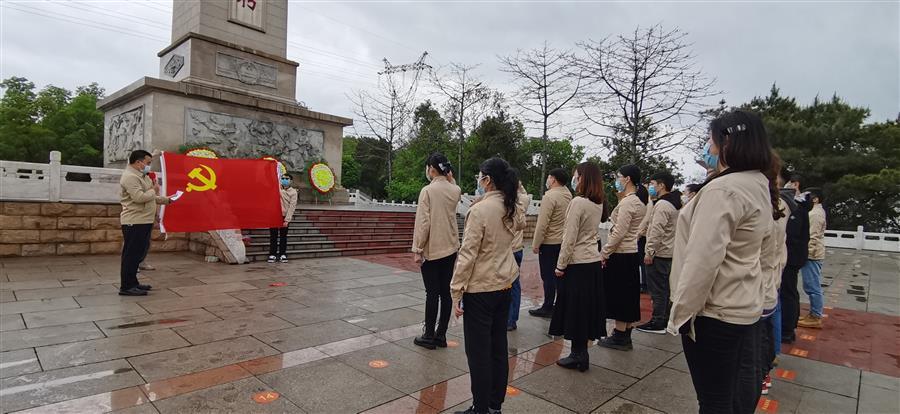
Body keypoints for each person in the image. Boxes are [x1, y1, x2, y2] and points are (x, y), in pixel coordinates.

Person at [667, 110, 777, 414]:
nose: (708, 147)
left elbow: (703, 259)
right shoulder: (757, 183)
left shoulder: (722, 190)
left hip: (713, 312)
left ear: (727, 142)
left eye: (711, 140)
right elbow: (767, 252)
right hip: (743, 306)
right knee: (735, 395)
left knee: (714, 399)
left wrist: (681, 314)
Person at [451, 157, 524, 414]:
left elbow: (468, 254)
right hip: (504, 286)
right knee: (497, 348)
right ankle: (494, 404)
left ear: (488, 180)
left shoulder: (481, 210)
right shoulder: (511, 205)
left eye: (480, 177)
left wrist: (456, 291)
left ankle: (480, 408)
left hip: (481, 289)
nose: (478, 181)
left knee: (479, 353)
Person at [548, 161, 608, 372]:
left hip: (577, 263)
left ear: (583, 178)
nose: (574, 180)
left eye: (577, 176)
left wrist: (560, 265)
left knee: (575, 310)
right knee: (585, 310)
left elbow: (569, 237)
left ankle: (577, 355)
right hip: (591, 262)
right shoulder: (597, 203)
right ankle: (581, 353)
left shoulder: (578, 203)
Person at [412, 153, 462, 350]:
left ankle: (429, 335)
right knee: (445, 293)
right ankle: (441, 335)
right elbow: (455, 186)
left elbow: (423, 222)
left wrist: (417, 248)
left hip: (433, 248)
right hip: (451, 247)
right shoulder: (455, 190)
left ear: (431, 169)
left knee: (431, 293)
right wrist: (449, 179)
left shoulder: (428, 191)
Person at [598, 164, 647, 351]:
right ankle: (625, 333)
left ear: (627, 179)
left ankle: (619, 335)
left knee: (620, 295)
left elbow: (619, 231)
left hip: (621, 253)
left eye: (619, 177)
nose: (617, 180)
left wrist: (605, 252)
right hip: (631, 253)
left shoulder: (628, 202)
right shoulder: (638, 201)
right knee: (629, 294)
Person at [118, 150, 172, 296]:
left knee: (138, 254)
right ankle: (126, 287)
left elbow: (150, 197)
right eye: (148, 163)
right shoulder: (130, 177)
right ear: (138, 162)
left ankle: (133, 283)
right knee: (131, 255)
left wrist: (167, 200)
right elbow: (139, 197)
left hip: (145, 220)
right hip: (134, 221)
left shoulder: (141, 175)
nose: (149, 166)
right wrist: (154, 191)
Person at [636, 172, 683, 334]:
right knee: (665, 289)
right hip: (669, 252)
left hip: (659, 253)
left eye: (653, 183)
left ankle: (657, 322)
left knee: (657, 291)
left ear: (662, 185)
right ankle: (664, 318)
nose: (650, 187)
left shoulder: (663, 205)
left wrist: (649, 252)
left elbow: (656, 230)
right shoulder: (675, 203)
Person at [760, 152, 789, 396]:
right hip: (767, 282)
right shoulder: (776, 204)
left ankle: (763, 373)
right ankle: (764, 371)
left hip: (755, 286)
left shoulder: (766, 205)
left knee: (759, 337)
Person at [528, 168, 573, 318]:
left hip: (549, 242)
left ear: (553, 179)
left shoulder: (550, 196)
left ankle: (547, 306)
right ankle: (560, 305)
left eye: (548, 177)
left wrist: (536, 244)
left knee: (547, 276)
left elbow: (542, 223)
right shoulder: (568, 195)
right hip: (563, 241)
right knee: (560, 275)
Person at [778, 173, 811, 343]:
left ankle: (787, 329)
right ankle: (789, 325)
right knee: (789, 291)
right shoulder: (799, 206)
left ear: (795, 184)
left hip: (791, 257)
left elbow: (791, 233)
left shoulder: (797, 207)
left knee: (787, 292)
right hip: (791, 255)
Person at [798, 188, 827, 329]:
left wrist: (806, 253)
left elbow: (813, 237)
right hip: (813, 253)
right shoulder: (816, 212)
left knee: (812, 286)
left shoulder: (815, 214)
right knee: (810, 285)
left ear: (815, 199)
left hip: (813, 254)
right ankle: (814, 314)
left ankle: (816, 316)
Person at [507, 183, 531, 331]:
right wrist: (519, 185)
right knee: (514, 285)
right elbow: (524, 193)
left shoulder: (504, 201)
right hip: (517, 248)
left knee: (504, 286)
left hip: (507, 249)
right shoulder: (523, 199)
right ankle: (511, 319)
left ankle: (506, 319)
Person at [267, 174, 298, 263]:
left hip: (284, 216)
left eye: (286, 179)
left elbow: (292, 207)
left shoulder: (293, 192)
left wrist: (287, 220)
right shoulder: (276, 189)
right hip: (274, 215)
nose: (284, 180)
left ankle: (282, 254)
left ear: (291, 181)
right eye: (283, 178)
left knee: (283, 237)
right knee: (273, 236)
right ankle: (272, 254)